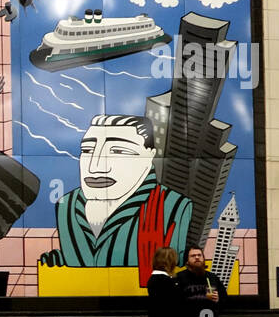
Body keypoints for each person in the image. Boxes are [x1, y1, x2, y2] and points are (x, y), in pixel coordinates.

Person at [38, 115, 193, 283]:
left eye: (118, 151)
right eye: (88, 150)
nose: (95, 166)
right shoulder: (66, 206)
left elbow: (178, 264)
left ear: (149, 156)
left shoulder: (173, 205)